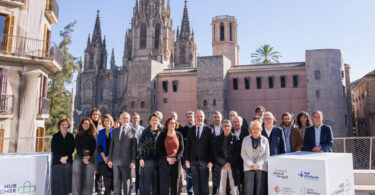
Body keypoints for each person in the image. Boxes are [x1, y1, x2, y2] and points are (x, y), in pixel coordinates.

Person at [185, 110, 214, 195]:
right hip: (193, 161)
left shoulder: (209, 130)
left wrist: (211, 161)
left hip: (204, 161)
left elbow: (212, 147)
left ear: (204, 118)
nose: (199, 118)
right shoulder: (191, 130)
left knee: (204, 184)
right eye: (197, 116)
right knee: (195, 184)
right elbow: (187, 146)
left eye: (201, 116)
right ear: (195, 118)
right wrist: (186, 160)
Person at [108, 112, 137, 195]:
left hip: (127, 162)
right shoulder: (115, 131)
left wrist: (133, 161)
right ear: (120, 119)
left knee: (126, 184)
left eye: (127, 118)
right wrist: (110, 159)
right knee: (116, 184)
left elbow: (134, 148)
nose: (125, 120)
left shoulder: (133, 131)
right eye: (123, 118)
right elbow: (111, 146)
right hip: (115, 161)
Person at [156, 117, 184, 195]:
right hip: (165, 162)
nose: (172, 124)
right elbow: (159, 148)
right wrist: (166, 158)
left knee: (175, 184)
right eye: (170, 123)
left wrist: (176, 158)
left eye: (174, 123)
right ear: (167, 124)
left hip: (176, 162)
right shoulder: (162, 134)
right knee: (164, 185)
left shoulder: (179, 135)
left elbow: (181, 149)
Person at [241, 121, 269, 195]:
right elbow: (243, 154)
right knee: (248, 191)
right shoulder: (245, 139)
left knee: (260, 191)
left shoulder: (265, 140)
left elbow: (267, 154)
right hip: (248, 168)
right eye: (253, 128)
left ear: (260, 129)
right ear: (250, 130)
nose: (255, 130)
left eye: (257, 128)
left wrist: (258, 164)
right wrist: (251, 164)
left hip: (261, 168)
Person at [214, 119, 241, 195]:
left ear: (231, 126)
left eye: (228, 126)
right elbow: (215, 153)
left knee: (234, 188)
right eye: (225, 126)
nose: (227, 127)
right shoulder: (217, 139)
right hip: (221, 166)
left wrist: (229, 162)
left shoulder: (236, 138)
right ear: (222, 127)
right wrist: (223, 162)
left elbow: (237, 153)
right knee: (222, 188)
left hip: (233, 165)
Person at [138, 113, 163, 195]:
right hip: (147, 159)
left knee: (157, 182)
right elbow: (141, 145)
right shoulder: (145, 132)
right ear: (150, 121)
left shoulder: (162, 132)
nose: (155, 121)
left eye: (156, 120)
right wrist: (141, 158)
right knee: (146, 182)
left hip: (159, 160)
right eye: (153, 120)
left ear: (159, 121)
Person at [72, 117, 97, 195]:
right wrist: (83, 157)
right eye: (85, 123)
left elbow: (94, 147)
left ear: (90, 125)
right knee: (77, 179)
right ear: (82, 124)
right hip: (79, 156)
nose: (86, 125)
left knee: (88, 179)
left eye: (88, 124)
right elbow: (77, 147)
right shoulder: (78, 135)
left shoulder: (93, 135)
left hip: (90, 157)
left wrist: (88, 156)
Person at [51, 119, 75, 195]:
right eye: (62, 124)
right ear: (59, 126)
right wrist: (61, 158)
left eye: (66, 124)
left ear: (68, 126)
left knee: (66, 182)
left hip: (68, 161)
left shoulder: (71, 136)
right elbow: (53, 149)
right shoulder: (55, 136)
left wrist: (66, 157)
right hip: (57, 162)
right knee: (57, 182)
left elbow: (72, 148)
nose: (64, 126)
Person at [97, 114, 114, 195]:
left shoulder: (115, 131)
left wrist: (109, 158)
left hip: (113, 158)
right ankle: (108, 192)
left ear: (111, 122)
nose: (106, 122)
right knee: (106, 177)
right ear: (103, 122)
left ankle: (108, 192)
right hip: (102, 159)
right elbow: (99, 146)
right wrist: (105, 158)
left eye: (108, 121)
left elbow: (115, 146)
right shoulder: (100, 132)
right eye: (105, 121)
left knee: (112, 177)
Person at [169, 111, 185, 193]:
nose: (172, 117)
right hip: (168, 159)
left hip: (178, 159)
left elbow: (183, 146)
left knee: (180, 178)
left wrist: (177, 157)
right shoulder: (165, 130)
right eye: (171, 116)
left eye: (174, 116)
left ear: (177, 118)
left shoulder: (181, 129)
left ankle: (180, 192)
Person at [180, 111, 195, 195]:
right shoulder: (183, 130)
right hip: (187, 159)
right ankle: (190, 193)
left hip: (197, 158)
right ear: (186, 118)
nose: (190, 118)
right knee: (189, 178)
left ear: (194, 118)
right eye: (188, 117)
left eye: (191, 117)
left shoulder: (198, 128)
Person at [90, 108, 104, 193]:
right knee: (89, 170)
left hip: (98, 150)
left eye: (97, 115)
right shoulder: (88, 125)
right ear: (91, 116)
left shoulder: (101, 125)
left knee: (98, 171)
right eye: (94, 114)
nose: (95, 116)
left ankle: (98, 188)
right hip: (91, 150)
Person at [209, 111, 223, 195]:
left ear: (221, 118)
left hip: (222, 156)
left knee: (222, 176)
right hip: (212, 156)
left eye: (218, 117)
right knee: (214, 176)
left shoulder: (225, 127)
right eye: (215, 117)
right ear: (213, 118)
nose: (217, 118)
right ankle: (214, 192)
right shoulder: (209, 128)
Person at [131, 112, 145, 195]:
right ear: (131, 119)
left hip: (139, 154)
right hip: (129, 153)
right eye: (134, 118)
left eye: (136, 118)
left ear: (139, 119)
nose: (135, 119)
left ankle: (137, 189)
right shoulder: (128, 128)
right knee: (128, 172)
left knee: (138, 172)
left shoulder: (143, 129)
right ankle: (129, 187)